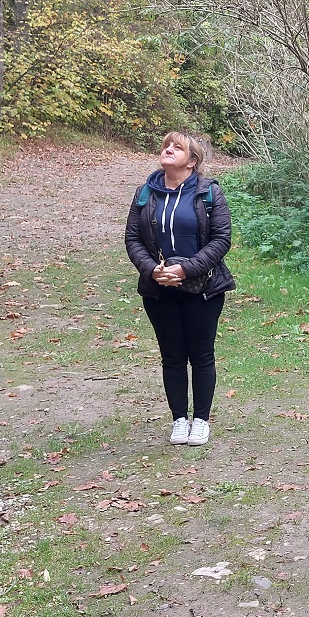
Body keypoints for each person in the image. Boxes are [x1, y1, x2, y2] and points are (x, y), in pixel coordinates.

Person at [125, 132, 235, 446]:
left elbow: (221, 239)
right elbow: (133, 239)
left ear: (192, 161)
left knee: (201, 355)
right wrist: (152, 270)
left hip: (203, 288)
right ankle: (178, 420)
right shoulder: (145, 193)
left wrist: (186, 269)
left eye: (177, 147)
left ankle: (201, 420)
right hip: (159, 290)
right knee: (172, 356)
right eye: (166, 145)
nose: (169, 149)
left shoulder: (208, 192)